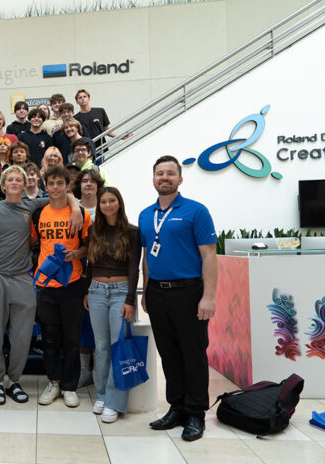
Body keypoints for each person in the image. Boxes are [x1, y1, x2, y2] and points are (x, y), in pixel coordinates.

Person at [0, 166, 83, 405]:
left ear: (24, 184)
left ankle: (14, 381)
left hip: (23, 277)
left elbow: (61, 195)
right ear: (3, 183)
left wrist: (74, 207)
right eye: (10, 178)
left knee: (21, 335)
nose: (14, 182)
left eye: (18, 179)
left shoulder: (31, 205)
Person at [139, 155, 218, 441]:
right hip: (158, 293)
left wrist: (208, 297)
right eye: (160, 173)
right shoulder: (146, 215)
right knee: (169, 353)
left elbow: (209, 255)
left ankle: (196, 413)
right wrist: (146, 290)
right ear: (153, 179)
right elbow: (147, 256)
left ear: (180, 179)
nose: (165, 178)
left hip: (189, 292)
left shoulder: (196, 211)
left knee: (193, 353)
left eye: (170, 173)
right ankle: (177, 408)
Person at [31, 166, 91, 408]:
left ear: (68, 186)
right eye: (51, 183)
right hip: (45, 284)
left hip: (72, 283)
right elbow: (35, 243)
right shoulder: (39, 213)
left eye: (59, 183)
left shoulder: (81, 214)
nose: (55, 187)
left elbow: (88, 246)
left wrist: (76, 253)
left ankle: (69, 386)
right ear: (46, 186)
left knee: (71, 339)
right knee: (50, 338)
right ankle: (53, 382)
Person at [84, 186, 141, 423]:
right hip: (96, 291)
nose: (107, 205)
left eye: (112, 200)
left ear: (119, 203)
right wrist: (88, 290)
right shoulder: (93, 230)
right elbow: (90, 263)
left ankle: (115, 402)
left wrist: (130, 300)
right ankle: (102, 394)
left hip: (120, 292)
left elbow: (133, 267)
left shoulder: (132, 232)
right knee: (101, 347)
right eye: (103, 201)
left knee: (119, 346)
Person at [72, 168, 105, 388]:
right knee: (82, 325)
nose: (88, 185)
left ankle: (98, 372)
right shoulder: (72, 207)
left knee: (98, 327)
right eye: (84, 181)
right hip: (76, 273)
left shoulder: (107, 206)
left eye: (93, 181)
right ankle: (84, 371)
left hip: (102, 274)